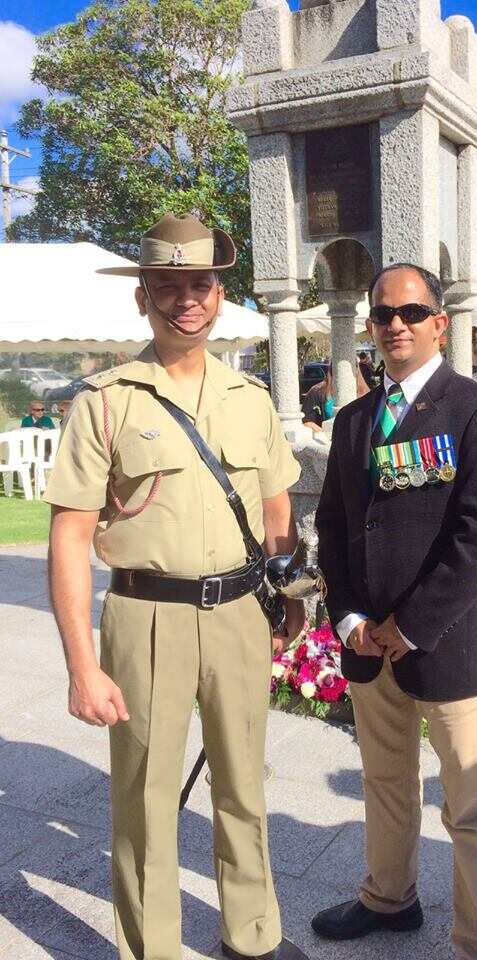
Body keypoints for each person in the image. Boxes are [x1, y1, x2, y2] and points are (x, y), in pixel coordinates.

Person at [43, 213, 308, 960]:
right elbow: (69, 537)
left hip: (240, 614)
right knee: (146, 800)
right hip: (146, 617)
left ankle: (252, 935)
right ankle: (151, 949)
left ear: (219, 294)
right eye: (168, 285)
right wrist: (81, 666)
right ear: (143, 297)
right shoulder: (106, 401)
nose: (186, 299)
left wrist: (290, 598)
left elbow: (277, 510)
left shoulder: (251, 398)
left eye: (200, 284)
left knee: (244, 785)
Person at [313, 263, 477, 960]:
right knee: (385, 784)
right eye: (383, 314)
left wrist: (413, 623)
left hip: (445, 643)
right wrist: (348, 618)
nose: (394, 324)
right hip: (368, 644)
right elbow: (336, 526)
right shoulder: (353, 420)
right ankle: (388, 898)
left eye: (410, 312)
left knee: (471, 803)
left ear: (439, 322)